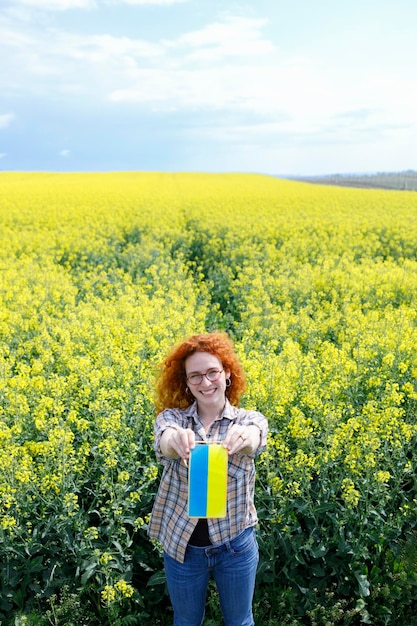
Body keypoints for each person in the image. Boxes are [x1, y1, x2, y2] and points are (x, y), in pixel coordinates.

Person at [148, 331, 268, 626]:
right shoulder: (172, 419)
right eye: (195, 376)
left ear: (226, 374)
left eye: (212, 372)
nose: (205, 382)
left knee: (240, 621)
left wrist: (247, 439)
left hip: (235, 544)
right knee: (186, 622)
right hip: (183, 546)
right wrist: (176, 440)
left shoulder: (248, 420)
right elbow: (164, 439)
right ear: (186, 383)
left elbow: (257, 437)